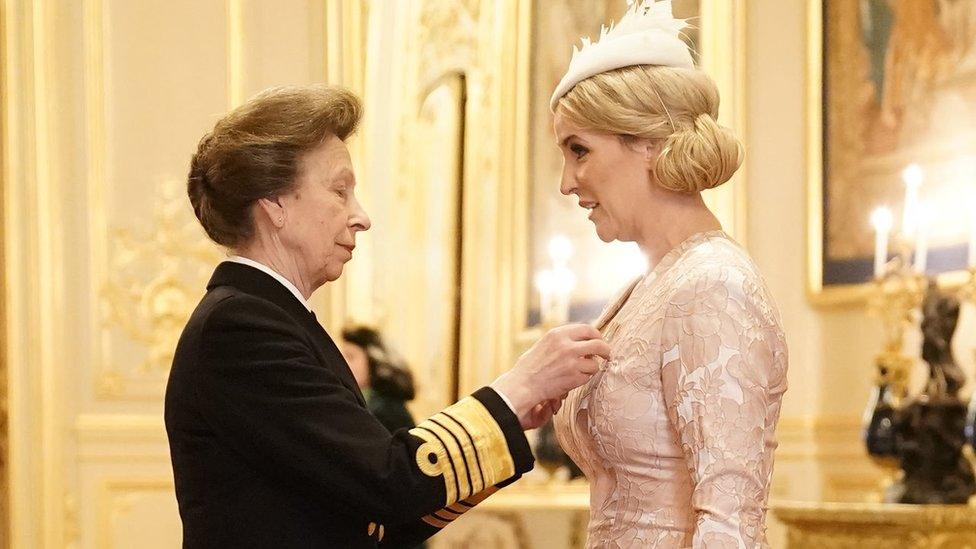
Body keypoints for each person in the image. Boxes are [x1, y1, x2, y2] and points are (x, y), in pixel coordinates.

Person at [164, 84, 610, 548]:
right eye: (340, 191)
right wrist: (518, 386)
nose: (361, 217)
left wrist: (506, 422)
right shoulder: (240, 328)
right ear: (275, 203)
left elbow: (377, 516)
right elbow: (389, 482)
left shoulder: (270, 318)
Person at [548, 1, 789, 547]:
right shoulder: (647, 288)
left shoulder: (715, 286)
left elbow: (730, 524)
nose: (567, 182)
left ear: (649, 144)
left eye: (578, 150)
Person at [341, 325, 417, 433]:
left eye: (351, 357)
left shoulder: (384, 409)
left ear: (372, 360)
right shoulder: (375, 400)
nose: (344, 364)